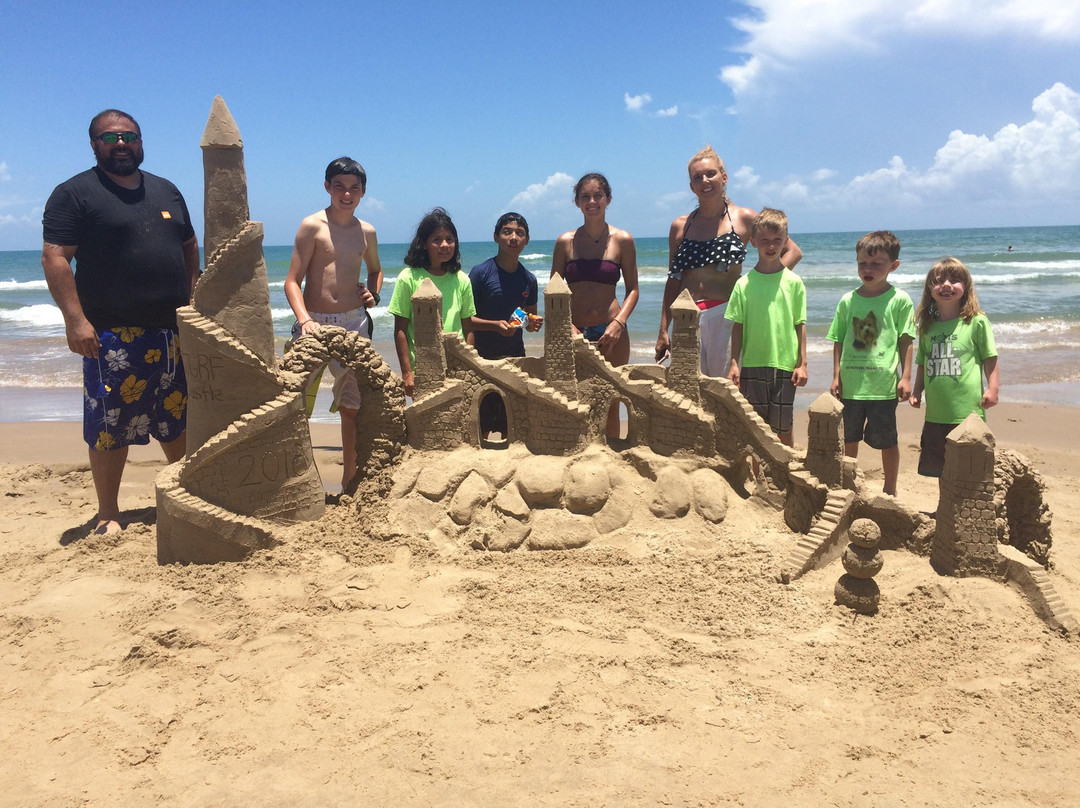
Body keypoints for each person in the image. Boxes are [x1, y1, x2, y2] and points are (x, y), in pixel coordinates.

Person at [41, 109, 200, 535]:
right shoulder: (75, 193)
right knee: (111, 425)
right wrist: (75, 320)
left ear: (141, 141)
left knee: (177, 417)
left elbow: (188, 244)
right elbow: (56, 257)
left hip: (173, 331)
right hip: (112, 333)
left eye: (129, 136)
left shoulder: (167, 190)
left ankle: (186, 495)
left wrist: (194, 292)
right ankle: (108, 512)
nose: (122, 144)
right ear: (94, 145)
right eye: (111, 138)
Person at [656, 146, 802, 374]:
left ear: (724, 178)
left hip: (727, 316)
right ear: (691, 186)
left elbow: (792, 251)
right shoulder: (680, 226)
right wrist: (663, 329)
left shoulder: (743, 218)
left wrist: (760, 282)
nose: (705, 180)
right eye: (697, 177)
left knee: (725, 394)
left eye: (711, 174)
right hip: (686, 318)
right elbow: (674, 280)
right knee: (688, 397)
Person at [284, 156, 383, 489]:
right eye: (339, 187)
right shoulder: (312, 225)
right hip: (314, 323)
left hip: (354, 323)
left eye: (354, 188)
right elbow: (291, 281)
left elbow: (376, 270)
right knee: (293, 402)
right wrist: (305, 320)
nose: (346, 194)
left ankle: (349, 482)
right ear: (327, 187)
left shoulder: (366, 231)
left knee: (352, 405)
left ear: (363, 192)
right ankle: (295, 481)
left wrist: (373, 294)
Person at [551, 173, 639, 436]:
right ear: (577, 202)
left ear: (608, 199)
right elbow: (554, 293)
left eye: (598, 195)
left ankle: (611, 458)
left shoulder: (623, 240)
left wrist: (618, 323)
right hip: (575, 333)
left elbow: (633, 289)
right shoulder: (565, 242)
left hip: (611, 332)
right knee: (576, 396)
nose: (592, 201)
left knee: (610, 398)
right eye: (585, 196)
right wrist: (567, 326)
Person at [827, 231, 915, 496]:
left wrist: (906, 376)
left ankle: (890, 489)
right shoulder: (847, 300)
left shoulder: (899, 300)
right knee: (849, 439)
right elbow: (838, 340)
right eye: (862, 263)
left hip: (883, 386)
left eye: (876, 264)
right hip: (851, 386)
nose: (868, 269)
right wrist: (835, 376)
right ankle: (848, 485)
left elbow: (906, 340)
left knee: (888, 441)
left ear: (893, 265)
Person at [909, 257, 999, 479]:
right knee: (941, 468)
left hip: (967, 412)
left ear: (966, 287)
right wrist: (916, 391)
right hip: (936, 413)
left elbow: (990, 357)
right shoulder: (928, 327)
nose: (947, 285)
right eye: (939, 281)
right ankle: (946, 510)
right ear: (929, 289)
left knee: (970, 466)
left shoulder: (976, 322)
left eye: (955, 280)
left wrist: (993, 388)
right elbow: (922, 362)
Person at [726, 208, 807, 448]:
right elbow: (737, 327)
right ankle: (759, 476)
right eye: (764, 241)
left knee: (783, 426)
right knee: (756, 427)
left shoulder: (794, 282)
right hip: (752, 365)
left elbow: (800, 325)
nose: (771, 246)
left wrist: (802, 364)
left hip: (785, 365)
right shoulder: (743, 284)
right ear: (753, 242)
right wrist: (733, 362)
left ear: (785, 241)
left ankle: (785, 475)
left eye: (777, 240)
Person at [468, 212, 543, 438]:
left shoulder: (529, 279)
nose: (513, 238)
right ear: (496, 237)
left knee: (511, 421)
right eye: (507, 232)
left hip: (515, 358)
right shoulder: (480, 273)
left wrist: (531, 323)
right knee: (481, 420)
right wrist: (494, 326)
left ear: (526, 240)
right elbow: (466, 319)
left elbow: (528, 319)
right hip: (482, 358)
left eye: (520, 233)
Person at [387, 208, 476, 398]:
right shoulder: (408, 278)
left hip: (457, 367)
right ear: (425, 244)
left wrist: (469, 366)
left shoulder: (462, 280)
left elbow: (468, 328)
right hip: (423, 368)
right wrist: (407, 372)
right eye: (437, 240)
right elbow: (400, 330)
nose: (444, 245)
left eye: (449, 239)